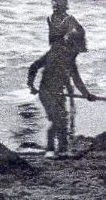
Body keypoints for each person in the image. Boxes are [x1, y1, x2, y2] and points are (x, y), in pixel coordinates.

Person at [27, 28, 95, 157]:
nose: (77, 53)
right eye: (77, 49)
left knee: (62, 120)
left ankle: (62, 150)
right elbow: (34, 66)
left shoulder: (70, 61)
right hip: (46, 92)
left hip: (59, 93)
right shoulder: (54, 54)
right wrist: (31, 85)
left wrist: (87, 95)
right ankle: (50, 150)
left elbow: (77, 80)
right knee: (58, 120)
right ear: (71, 45)